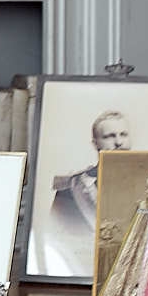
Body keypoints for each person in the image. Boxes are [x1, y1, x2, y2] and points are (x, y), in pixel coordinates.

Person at [46, 109, 131, 278]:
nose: (119, 142)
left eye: (123, 134)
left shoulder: (146, 181)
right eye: (109, 136)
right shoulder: (73, 187)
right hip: (85, 270)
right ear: (95, 143)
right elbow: (57, 241)